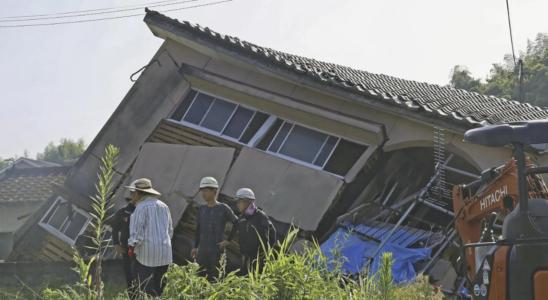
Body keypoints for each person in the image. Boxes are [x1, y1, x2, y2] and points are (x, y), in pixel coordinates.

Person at [127, 178, 173, 297]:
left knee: (145, 288)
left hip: (146, 256)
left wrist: (132, 247)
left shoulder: (141, 207)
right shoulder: (164, 206)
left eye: (133, 193)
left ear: (138, 193)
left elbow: (136, 235)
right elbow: (170, 231)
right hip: (165, 254)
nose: (132, 197)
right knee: (160, 289)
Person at [219, 188, 276, 275]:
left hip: (258, 257)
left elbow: (271, 230)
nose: (237, 204)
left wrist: (269, 249)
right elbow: (236, 229)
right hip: (246, 256)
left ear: (247, 202)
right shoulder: (242, 217)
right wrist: (228, 241)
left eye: (239, 202)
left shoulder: (259, 216)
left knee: (256, 279)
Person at [191, 177, 238, 281]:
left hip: (217, 252)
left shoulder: (223, 208)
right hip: (202, 251)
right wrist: (195, 247)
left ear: (214, 191)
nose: (203, 193)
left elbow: (237, 223)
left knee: (217, 280)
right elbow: (198, 229)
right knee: (198, 279)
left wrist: (228, 241)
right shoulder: (202, 209)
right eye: (202, 191)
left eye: (206, 191)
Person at [111, 194, 137, 296]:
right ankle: (132, 296)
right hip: (127, 249)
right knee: (129, 276)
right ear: (131, 195)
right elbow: (115, 228)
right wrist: (116, 244)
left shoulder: (145, 210)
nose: (136, 196)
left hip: (142, 249)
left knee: (141, 276)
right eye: (135, 194)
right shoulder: (123, 211)